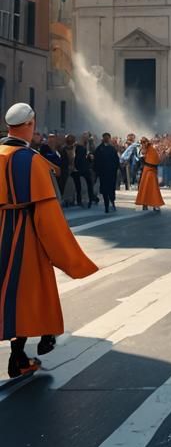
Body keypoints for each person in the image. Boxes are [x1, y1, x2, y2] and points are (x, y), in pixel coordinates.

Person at [1, 103, 98, 377]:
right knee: (31, 293)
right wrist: (67, 257)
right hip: (25, 234)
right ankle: (21, 355)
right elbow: (47, 216)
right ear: (31, 124)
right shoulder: (30, 160)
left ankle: (26, 352)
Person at [93, 132, 120, 213]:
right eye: (105, 137)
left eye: (108, 137)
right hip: (103, 173)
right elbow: (96, 161)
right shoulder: (99, 149)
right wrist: (97, 172)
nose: (106, 139)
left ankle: (112, 201)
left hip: (111, 173)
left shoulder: (112, 149)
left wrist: (116, 169)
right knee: (104, 190)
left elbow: (116, 160)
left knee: (111, 189)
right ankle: (106, 206)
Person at [135, 138, 165, 212]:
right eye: (142, 143)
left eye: (144, 143)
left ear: (147, 143)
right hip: (145, 172)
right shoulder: (144, 150)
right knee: (144, 188)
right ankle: (144, 204)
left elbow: (154, 162)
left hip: (151, 172)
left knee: (153, 189)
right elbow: (140, 159)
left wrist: (144, 160)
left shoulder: (152, 150)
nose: (142, 144)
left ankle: (155, 204)